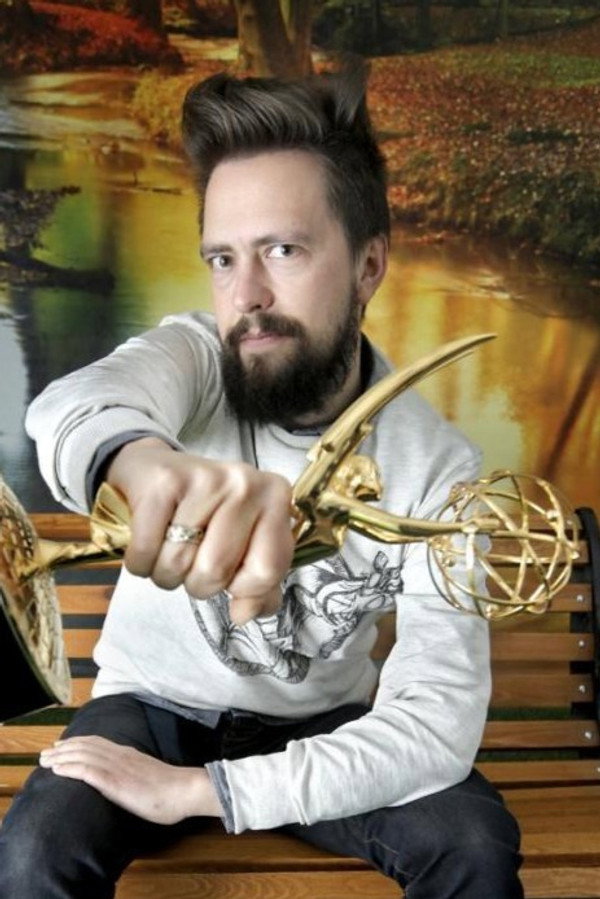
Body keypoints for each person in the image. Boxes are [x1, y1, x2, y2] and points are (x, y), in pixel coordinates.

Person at [0, 63, 523, 897]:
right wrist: (143, 462)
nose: (246, 296)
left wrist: (203, 792)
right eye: (222, 258)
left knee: (472, 844)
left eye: (283, 250)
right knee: (33, 850)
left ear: (368, 264)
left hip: (324, 728)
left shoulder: (441, 471)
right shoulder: (194, 359)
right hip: (148, 712)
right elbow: (69, 409)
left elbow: (433, 727)